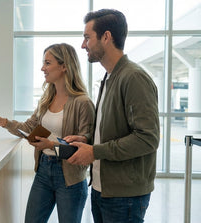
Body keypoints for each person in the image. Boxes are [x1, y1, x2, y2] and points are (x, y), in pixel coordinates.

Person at [67, 9, 160, 223]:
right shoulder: (110, 77)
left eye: (87, 38)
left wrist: (95, 151)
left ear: (106, 37)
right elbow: (111, 130)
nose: (83, 45)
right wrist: (87, 141)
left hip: (124, 197)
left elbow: (147, 138)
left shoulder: (134, 77)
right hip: (102, 189)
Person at [0, 43, 95, 223]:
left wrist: (52, 145)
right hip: (44, 170)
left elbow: (86, 147)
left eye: (47, 63)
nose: (42, 68)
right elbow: (29, 127)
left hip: (70, 177)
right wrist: (4, 122)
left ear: (64, 66)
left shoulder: (82, 103)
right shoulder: (46, 100)